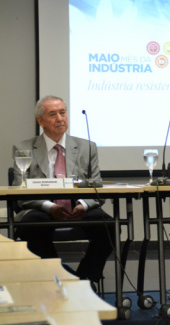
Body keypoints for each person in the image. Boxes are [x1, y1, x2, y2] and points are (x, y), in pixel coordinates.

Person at [11, 95, 113, 287]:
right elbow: (20, 191)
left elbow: (97, 185)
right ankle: (57, 278)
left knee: (109, 226)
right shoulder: (24, 148)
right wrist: (50, 208)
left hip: (78, 209)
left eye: (63, 113)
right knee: (33, 227)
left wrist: (83, 205)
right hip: (41, 209)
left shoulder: (86, 147)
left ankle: (83, 280)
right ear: (40, 121)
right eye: (52, 114)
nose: (60, 118)